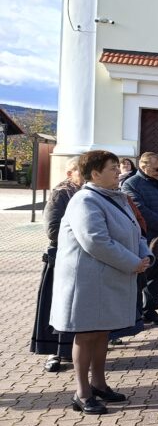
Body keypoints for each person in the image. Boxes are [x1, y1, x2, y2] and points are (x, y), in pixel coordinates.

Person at [51, 150, 152, 415]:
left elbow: (135, 231)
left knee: (102, 333)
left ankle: (99, 384)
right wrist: (133, 262)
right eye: (112, 168)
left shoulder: (114, 197)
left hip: (108, 279)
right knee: (86, 335)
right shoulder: (85, 200)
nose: (118, 172)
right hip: (87, 281)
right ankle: (82, 392)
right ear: (95, 173)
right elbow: (96, 241)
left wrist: (145, 254)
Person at [31, 156, 81, 373]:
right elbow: (53, 229)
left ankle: (76, 350)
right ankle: (54, 352)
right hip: (62, 258)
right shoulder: (61, 193)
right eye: (82, 171)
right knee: (57, 305)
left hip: (83, 260)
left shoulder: (88, 193)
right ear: (70, 173)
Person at [122, 152, 158, 326]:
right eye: (157, 168)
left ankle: (150, 310)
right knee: (140, 279)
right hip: (143, 240)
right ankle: (134, 314)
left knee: (156, 278)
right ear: (143, 166)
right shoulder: (131, 185)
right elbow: (140, 210)